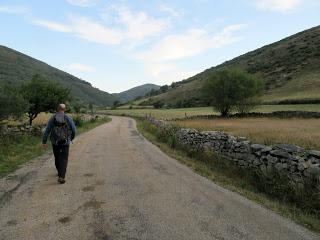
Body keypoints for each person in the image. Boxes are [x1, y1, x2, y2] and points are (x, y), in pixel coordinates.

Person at [42, 104, 76, 184]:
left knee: (57, 157)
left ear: (57, 109)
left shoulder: (53, 118)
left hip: (55, 142)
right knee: (64, 158)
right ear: (65, 109)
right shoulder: (67, 117)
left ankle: (59, 172)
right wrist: (71, 138)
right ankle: (62, 176)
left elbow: (47, 130)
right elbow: (74, 129)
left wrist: (44, 141)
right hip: (65, 141)